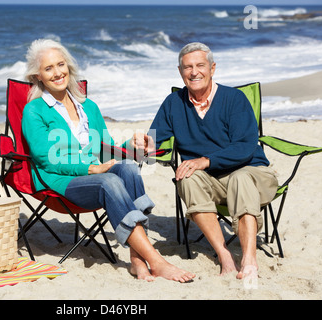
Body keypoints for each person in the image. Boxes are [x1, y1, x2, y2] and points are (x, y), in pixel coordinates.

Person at [21, 38, 195, 283]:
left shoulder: (87, 106)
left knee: (128, 168)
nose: (57, 72)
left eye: (60, 65)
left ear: (68, 66)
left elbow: (104, 149)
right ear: (37, 76)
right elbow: (46, 159)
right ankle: (156, 261)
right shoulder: (34, 111)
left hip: (93, 174)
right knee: (108, 182)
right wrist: (91, 168)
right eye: (48, 68)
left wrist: (129, 147)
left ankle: (137, 260)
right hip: (59, 180)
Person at [132, 42, 278, 280]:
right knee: (186, 177)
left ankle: (249, 259)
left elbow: (244, 147)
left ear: (212, 68)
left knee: (240, 178)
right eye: (187, 67)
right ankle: (225, 256)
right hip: (211, 182)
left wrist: (204, 161)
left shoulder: (235, 99)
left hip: (253, 174)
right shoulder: (173, 103)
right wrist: (147, 145)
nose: (194, 72)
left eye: (200, 65)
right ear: (180, 72)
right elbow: (157, 142)